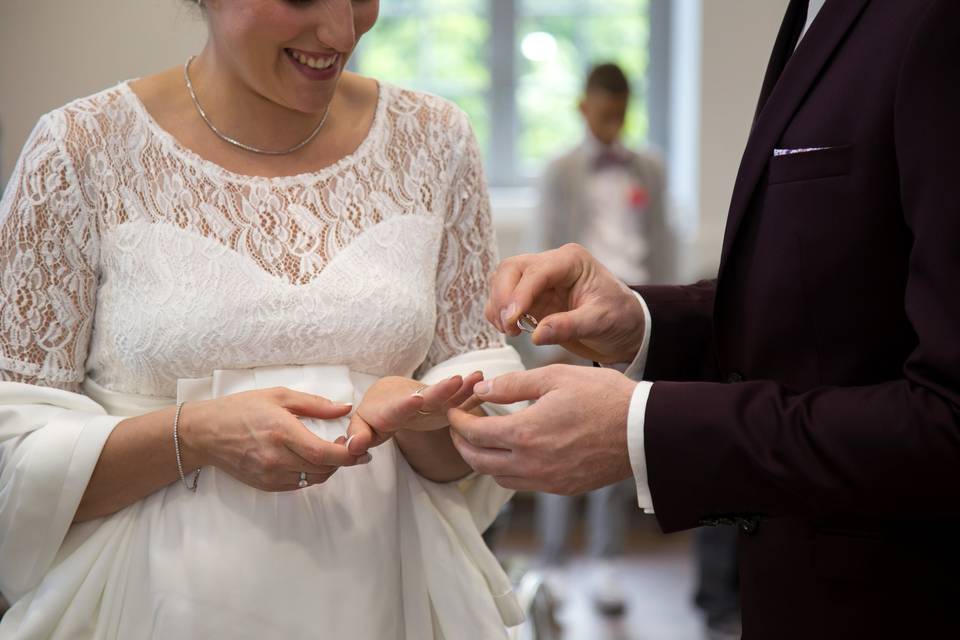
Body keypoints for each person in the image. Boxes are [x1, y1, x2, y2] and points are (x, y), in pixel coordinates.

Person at [0, 1, 526, 638]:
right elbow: (14, 452)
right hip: (154, 604)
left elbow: (470, 452)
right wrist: (192, 436)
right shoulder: (81, 149)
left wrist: (415, 421)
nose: (341, 31)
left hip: (386, 593)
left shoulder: (436, 139)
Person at [449, 0, 960, 637]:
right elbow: (828, 312)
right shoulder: (810, 16)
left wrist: (645, 427)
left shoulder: (935, 21)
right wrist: (641, 320)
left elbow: (948, 418)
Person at [534, 62, 673, 616]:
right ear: (583, 107)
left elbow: (662, 243)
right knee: (554, 437)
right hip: (574, 322)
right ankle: (551, 561)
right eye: (604, 112)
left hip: (633, 316)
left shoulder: (651, 170)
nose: (613, 124)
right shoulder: (560, 169)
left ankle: (607, 560)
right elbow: (547, 246)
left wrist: (660, 319)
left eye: (621, 114)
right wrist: (552, 330)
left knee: (618, 440)